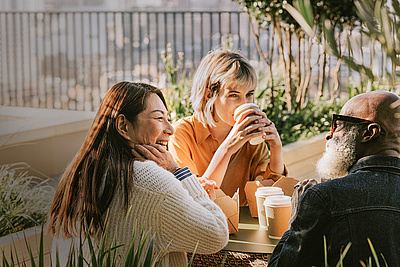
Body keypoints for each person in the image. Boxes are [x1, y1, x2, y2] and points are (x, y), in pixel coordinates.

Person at [47, 82, 229, 266]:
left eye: (168, 118)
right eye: (159, 118)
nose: (170, 129)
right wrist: (178, 172)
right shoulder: (151, 182)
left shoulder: (81, 172)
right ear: (123, 126)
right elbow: (217, 234)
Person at [269, 91, 400, 266]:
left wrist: (295, 219)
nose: (328, 135)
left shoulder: (324, 197)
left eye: (338, 125)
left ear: (369, 133)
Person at [169, 50, 287, 206]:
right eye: (233, 95)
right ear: (208, 94)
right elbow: (194, 201)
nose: (244, 103)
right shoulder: (181, 134)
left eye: (249, 94)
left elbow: (271, 197)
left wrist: (276, 149)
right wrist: (227, 148)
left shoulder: (252, 139)